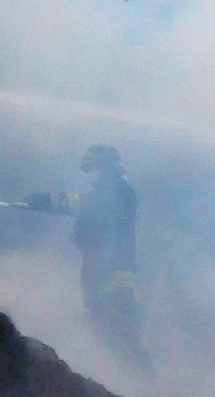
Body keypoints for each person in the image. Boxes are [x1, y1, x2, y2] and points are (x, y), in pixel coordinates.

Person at [29, 145, 148, 370]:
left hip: (116, 284)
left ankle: (145, 389)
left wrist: (47, 201)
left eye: (93, 167)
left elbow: (88, 205)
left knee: (123, 342)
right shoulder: (108, 195)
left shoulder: (121, 193)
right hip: (98, 283)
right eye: (87, 168)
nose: (89, 172)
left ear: (109, 167)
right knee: (106, 342)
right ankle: (123, 387)